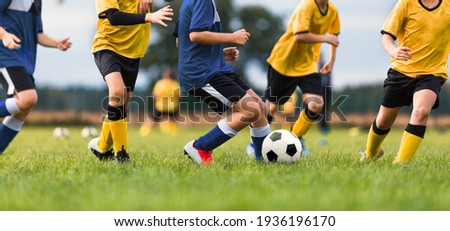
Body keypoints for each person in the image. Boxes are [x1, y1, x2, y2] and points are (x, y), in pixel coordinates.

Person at [175, 0, 270, 164]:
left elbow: (180, 41)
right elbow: (195, 35)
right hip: (201, 72)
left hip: (215, 66)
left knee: (258, 107)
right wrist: (232, 37)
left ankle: (263, 160)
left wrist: (217, 54)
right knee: (250, 110)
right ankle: (201, 146)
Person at [360, 0, 450, 165]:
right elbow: (387, 36)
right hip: (401, 71)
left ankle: (401, 163)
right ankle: (370, 153)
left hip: (432, 73)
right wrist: (394, 50)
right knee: (383, 121)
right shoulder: (406, 4)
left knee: (422, 111)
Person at [88, 0, 173, 163]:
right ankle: (121, 155)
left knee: (123, 105)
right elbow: (113, 17)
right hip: (108, 46)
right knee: (117, 92)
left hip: (133, 52)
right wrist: (149, 16)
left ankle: (101, 146)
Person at [264, 0, 340, 156]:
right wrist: (325, 38)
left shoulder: (332, 11)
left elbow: (334, 35)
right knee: (272, 107)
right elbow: (299, 36)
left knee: (316, 105)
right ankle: (257, 142)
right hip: (284, 62)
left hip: (308, 64)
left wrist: (331, 60)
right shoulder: (306, 6)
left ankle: (296, 138)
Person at [0, 0, 72, 153]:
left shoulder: (36, 1)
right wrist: (4, 35)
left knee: (23, 109)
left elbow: (38, 34)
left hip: (24, 59)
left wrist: (56, 43)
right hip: (6, 56)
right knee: (28, 98)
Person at [151, 67, 180, 136]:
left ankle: (144, 133)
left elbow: (155, 95)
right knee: (172, 120)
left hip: (160, 106)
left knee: (153, 120)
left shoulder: (160, 83)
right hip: (172, 106)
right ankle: (173, 133)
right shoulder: (175, 84)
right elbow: (179, 96)